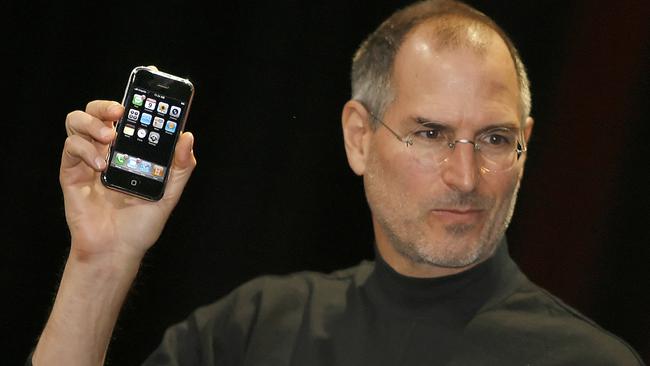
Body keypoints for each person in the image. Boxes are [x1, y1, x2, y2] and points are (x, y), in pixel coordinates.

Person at [29, 0, 645, 365]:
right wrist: (101, 260)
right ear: (358, 136)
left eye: (494, 139)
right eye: (429, 134)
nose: (466, 177)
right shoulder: (253, 328)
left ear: (526, 145)